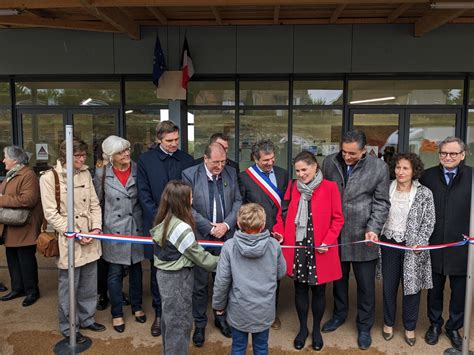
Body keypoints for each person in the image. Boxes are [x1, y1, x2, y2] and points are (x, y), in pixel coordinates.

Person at [321, 130, 390, 350]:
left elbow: (381, 203)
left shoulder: (379, 167)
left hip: (363, 236)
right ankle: (339, 315)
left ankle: (364, 326)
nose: (347, 156)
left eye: (352, 153)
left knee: (366, 287)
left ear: (364, 150)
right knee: (338, 281)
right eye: (344, 151)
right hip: (336, 234)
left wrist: (373, 228)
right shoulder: (329, 162)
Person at [273, 151, 344, 351]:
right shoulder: (293, 187)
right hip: (298, 246)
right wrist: (279, 233)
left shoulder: (330, 187)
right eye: (298, 171)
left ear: (315, 167)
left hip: (320, 248)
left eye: (304, 169)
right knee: (300, 289)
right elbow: (282, 214)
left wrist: (328, 241)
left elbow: (338, 219)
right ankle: (303, 329)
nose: (301, 174)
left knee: (319, 291)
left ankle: (316, 331)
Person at [40, 138, 105, 344]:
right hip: (69, 238)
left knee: (88, 283)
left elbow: (95, 204)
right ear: (65, 155)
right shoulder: (50, 177)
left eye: (84, 155)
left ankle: (87, 318)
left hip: (90, 236)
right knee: (69, 285)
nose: (82, 159)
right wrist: (76, 233)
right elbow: (51, 213)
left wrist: (95, 229)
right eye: (78, 155)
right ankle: (69, 326)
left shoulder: (85, 172)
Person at [137, 121, 195, 337]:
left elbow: (190, 193)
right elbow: (143, 194)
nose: (174, 144)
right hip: (156, 225)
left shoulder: (186, 160)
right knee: (157, 271)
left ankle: (183, 313)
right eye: (169, 141)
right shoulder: (145, 160)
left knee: (185, 269)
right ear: (158, 140)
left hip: (184, 225)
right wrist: (162, 220)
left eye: (176, 140)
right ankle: (160, 313)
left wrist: (180, 221)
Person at [182, 142, 242, 347]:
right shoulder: (190, 175)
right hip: (201, 236)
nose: (220, 166)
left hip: (226, 236)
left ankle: (221, 318)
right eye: (215, 162)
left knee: (224, 281)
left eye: (223, 161)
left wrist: (226, 225)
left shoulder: (231, 173)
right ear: (205, 159)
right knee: (199, 284)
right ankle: (199, 324)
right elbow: (186, 207)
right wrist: (209, 227)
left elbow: (238, 202)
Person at [151, 180, 219, 355]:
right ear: (182, 200)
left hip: (165, 277)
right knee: (180, 325)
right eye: (190, 196)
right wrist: (225, 262)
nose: (192, 198)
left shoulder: (166, 219)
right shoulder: (182, 228)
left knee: (170, 321)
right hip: (178, 280)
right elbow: (201, 258)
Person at [213, 203, 286, 355]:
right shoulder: (273, 245)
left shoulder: (229, 246)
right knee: (261, 348)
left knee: (238, 347)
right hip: (264, 311)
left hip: (239, 310)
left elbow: (222, 281)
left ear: (238, 224)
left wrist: (219, 306)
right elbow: (281, 273)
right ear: (263, 225)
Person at [420, 137, 471, 351]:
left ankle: (453, 327)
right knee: (435, 290)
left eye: (452, 154)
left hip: (463, 246)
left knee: (459, 291)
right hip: (435, 244)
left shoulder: (472, 176)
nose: (447, 157)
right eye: (443, 153)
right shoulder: (427, 176)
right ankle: (435, 324)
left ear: (462, 155)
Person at [381, 153, 435, 346]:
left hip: (413, 248)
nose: (400, 172)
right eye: (397, 167)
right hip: (388, 243)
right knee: (389, 286)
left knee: (411, 289)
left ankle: (409, 327)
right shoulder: (386, 188)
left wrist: (421, 242)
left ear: (414, 171)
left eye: (405, 168)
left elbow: (429, 221)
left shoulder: (424, 193)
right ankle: (388, 323)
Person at [94, 136, 145, 333]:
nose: (126, 154)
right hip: (113, 229)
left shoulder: (138, 169)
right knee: (114, 273)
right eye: (121, 152)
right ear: (111, 156)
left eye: (127, 149)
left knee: (136, 270)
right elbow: (97, 202)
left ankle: (137, 306)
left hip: (135, 227)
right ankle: (117, 313)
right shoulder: (101, 174)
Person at [238, 139, 288, 329]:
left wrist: (281, 230)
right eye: (265, 160)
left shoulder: (283, 175)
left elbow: (285, 205)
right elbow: (242, 208)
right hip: (253, 235)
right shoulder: (244, 177)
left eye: (272, 158)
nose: (270, 163)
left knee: (273, 276)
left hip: (277, 234)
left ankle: (272, 313)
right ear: (255, 159)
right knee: (251, 277)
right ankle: (249, 313)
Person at [0, 146, 42, 306]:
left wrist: (1, 200)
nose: (3, 160)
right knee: (12, 259)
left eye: (5, 157)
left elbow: (28, 200)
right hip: (11, 225)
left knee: (26, 261)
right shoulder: (11, 174)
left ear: (15, 160)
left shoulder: (28, 174)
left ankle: (32, 291)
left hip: (24, 226)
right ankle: (17, 288)